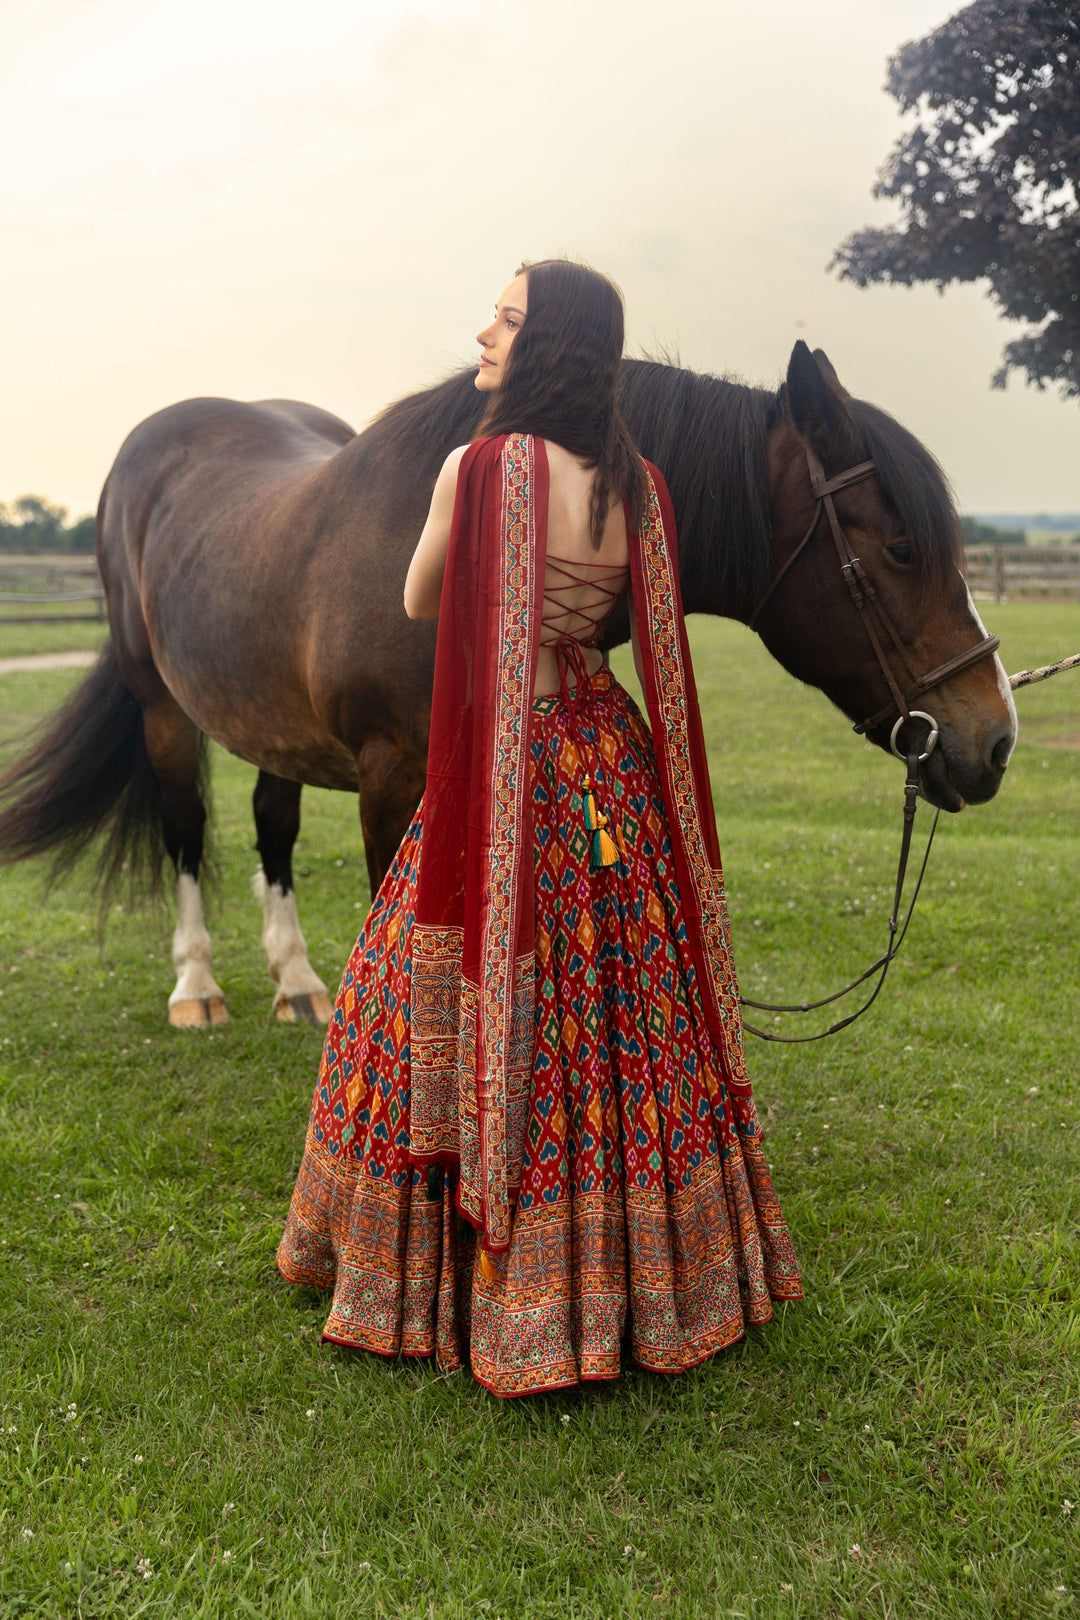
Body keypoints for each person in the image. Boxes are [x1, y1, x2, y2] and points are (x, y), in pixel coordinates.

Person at [276, 259, 801, 1397]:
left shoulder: (480, 467)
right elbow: (615, 623)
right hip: (607, 762)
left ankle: (457, 1262)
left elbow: (422, 600)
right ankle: (654, 1267)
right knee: (623, 1007)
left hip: (512, 770)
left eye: (507, 317)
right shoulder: (640, 485)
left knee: (428, 983)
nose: (486, 330)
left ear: (547, 341)